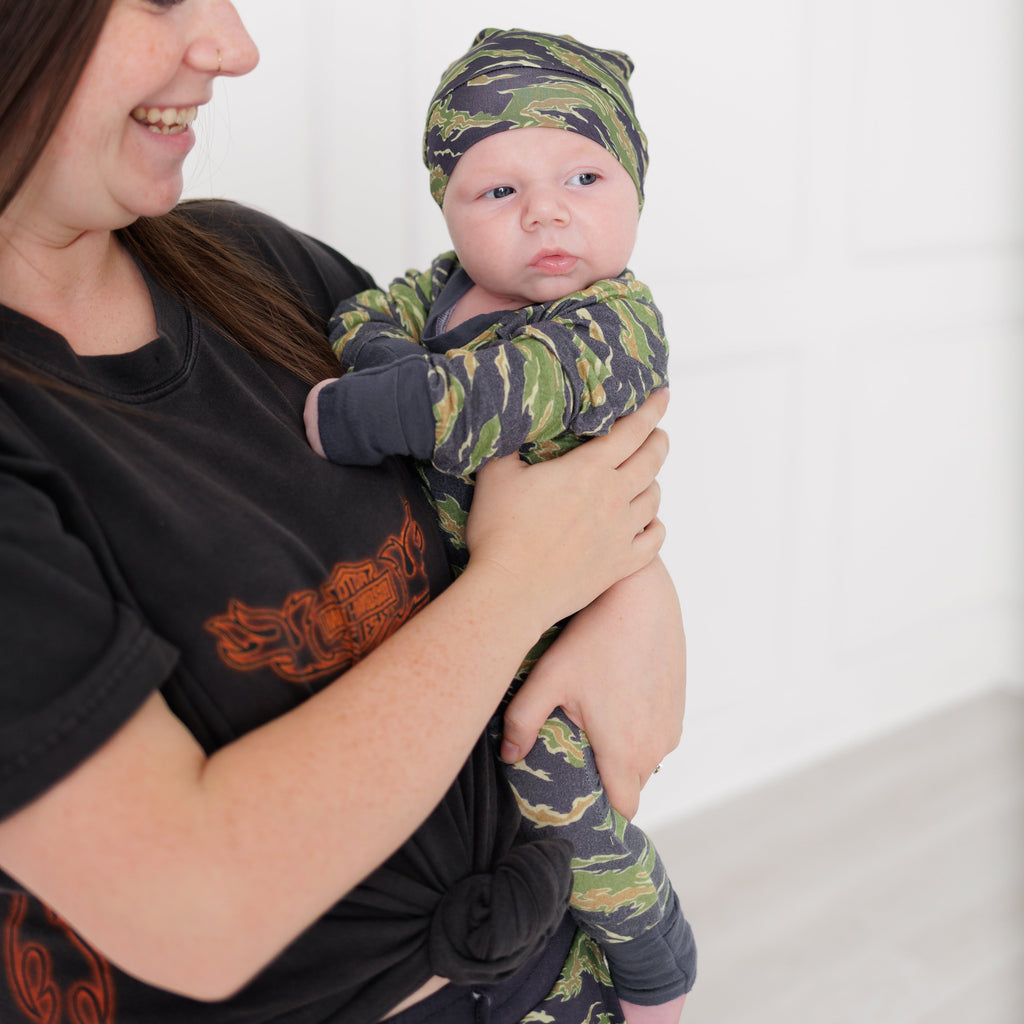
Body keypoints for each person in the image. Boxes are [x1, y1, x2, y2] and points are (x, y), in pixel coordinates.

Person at [0, 3, 684, 1023]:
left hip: (551, 973)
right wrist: (523, 588)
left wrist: (632, 590)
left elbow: (532, 481)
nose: (234, 46)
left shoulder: (253, 264)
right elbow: (198, 908)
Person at [303, 28, 695, 1021]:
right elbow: (357, 315)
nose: (547, 211)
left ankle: (652, 951)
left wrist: (364, 411)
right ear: (448, 207)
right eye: (498, 192)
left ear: (635, 191)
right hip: (467, 622)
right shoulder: (434, 292)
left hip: (566, 629)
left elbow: (499, 397)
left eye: (583, 175)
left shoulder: (615, 320)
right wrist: (389, 348)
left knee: (557, 785)